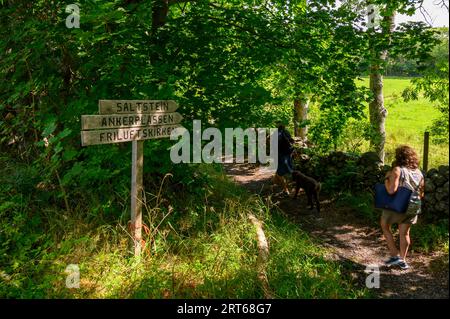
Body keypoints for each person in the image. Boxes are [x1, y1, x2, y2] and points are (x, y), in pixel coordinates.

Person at [381, 145, 424, 270]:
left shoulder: (397, 170)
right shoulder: (419, 172)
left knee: (385, 225)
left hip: (399, 204)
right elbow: (421, 194)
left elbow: (391, 191)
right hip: (414, 205)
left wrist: (386, 179)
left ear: (399, 157)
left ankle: (395, 256)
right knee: (405, 233)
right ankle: (403, 261)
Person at [272, 122, 294, 196]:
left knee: (280, 172)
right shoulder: (287, 132)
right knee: (284, 171)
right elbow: (291, 141)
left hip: (280, 155)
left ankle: (286, 190)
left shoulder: (276, 133)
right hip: (288, 154)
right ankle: (274, 183)